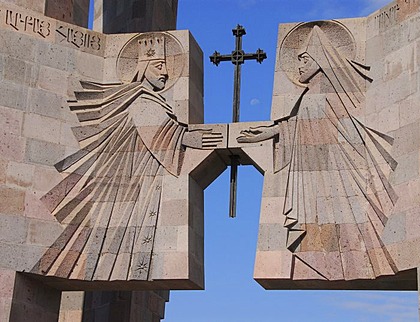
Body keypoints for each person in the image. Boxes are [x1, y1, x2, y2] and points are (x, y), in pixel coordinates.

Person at [31, 35, 219, 281]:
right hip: (126, 185)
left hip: (140, 183)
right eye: (158, 66)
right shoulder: (141, 100)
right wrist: (190, 138)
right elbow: (160, 132)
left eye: (166, 67)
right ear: (143, 68)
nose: (165, 73)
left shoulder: (154, 102)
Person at [238, 24, 399, 280]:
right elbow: (303, 125)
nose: (300, 65)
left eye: (304, 59)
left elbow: (341, 132)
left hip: (340, 180)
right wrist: (273, 131)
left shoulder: (330, 94)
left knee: (351, 237)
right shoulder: (311, 95)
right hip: (322, 185)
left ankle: (355, 267)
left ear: (320, 59)